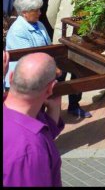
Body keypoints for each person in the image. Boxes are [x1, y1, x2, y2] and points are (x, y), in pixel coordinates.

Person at [3, 52, 65, 187]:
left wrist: (54, 109)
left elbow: (39, 133)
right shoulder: (29, 152)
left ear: (11, 77)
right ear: (50, 89)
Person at [45, 0, 92, 119]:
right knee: (59, 74)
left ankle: (74, 105)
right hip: (62, 38)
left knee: (78, 73)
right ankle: (52, 109)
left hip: (82, 40)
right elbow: (51, 14)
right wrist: (59, 28)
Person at [4, 0, 52, 89]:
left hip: (39, 76)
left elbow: (49, 46)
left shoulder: (39, 24)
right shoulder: (17, 30)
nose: (40, 13)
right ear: (24, 12)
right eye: (36, 10)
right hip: (23, 82)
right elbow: (27, 58)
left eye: (39, 9)